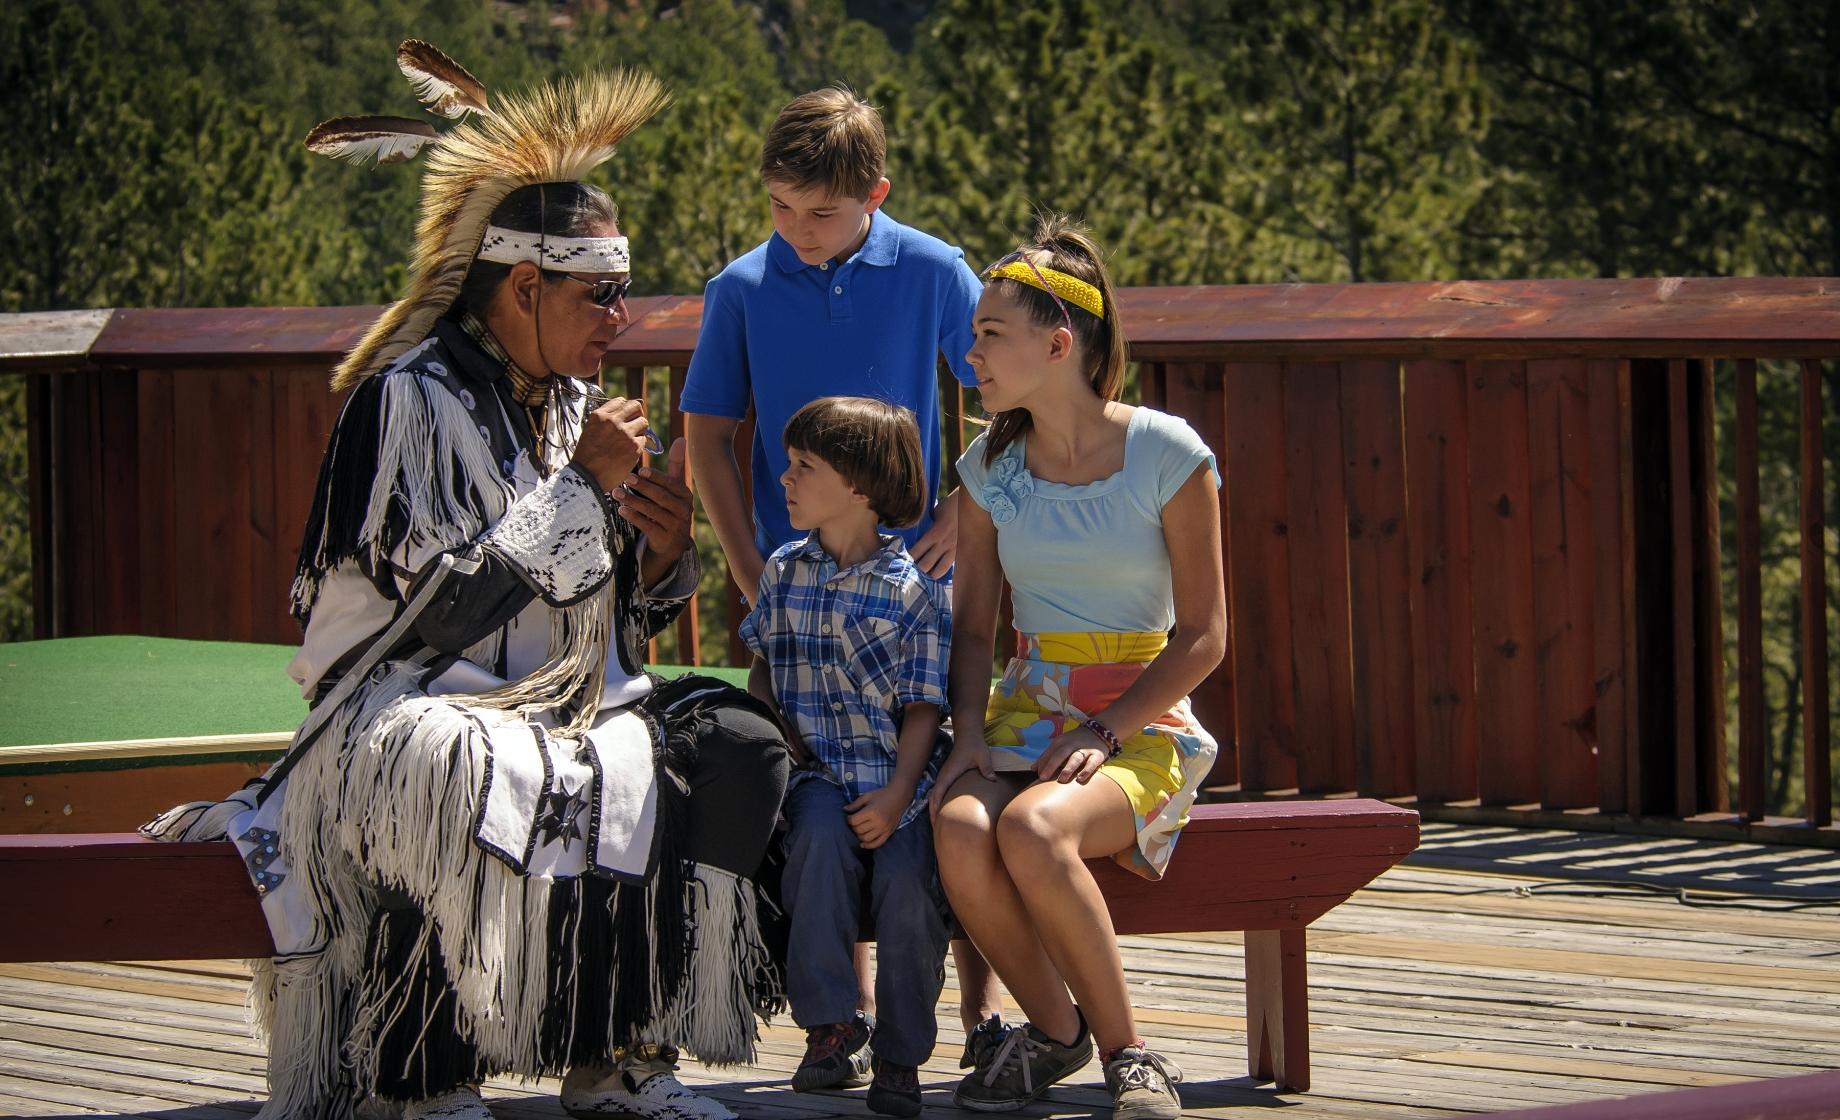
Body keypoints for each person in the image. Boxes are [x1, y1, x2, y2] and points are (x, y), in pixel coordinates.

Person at [145, 53, 786, 1120]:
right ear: (525, 288)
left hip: (554, 702)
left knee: (735, 744)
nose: (621, 319)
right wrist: (582, 490)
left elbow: (587, 622)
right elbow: (433, 616)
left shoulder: (568, 403)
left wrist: (658, 565)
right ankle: (425, 1075)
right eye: (603, 294)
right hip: (400, 712)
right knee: (457, 761)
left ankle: (619, 1051)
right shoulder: (404, 402)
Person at [679, 84, 1003, 1068]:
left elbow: (1008, 395)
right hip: (799, 611)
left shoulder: (936, 270)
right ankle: (836, 1022)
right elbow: (706, 435)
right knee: (809, 806)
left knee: (953, 798)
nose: (797, 230)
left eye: (820, 211)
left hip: (919, 598)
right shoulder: (739, 288)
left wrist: (957, 507)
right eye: (778, 207)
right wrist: (747, 571)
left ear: (875, 192)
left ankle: (983, 1018)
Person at [928, 215, 1226, 1120]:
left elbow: (1206, 638)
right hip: (1026, 708)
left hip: (1139, 721)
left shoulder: (1166, 455)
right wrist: (968, 735)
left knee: (1032, 831)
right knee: (959, 826)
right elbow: (975, 631)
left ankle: (1129, 1053)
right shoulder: (990, 469)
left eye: (989, 333)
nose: (969, 350)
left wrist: (1108, 729)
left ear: (1059, 345)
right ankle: (1053, 1035)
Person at [739, 398, 953, 1118]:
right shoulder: (782, 572)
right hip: (816, 774)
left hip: (900, 780)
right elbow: (763, 661)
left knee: (906, 889)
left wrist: (897, 794)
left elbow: (924, 707)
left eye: (805, 466)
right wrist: (772, 718)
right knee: (819, 847)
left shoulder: (916, 594)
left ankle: (901, 1051)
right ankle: (830, 1026)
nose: (784, 477)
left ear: (860, 487)